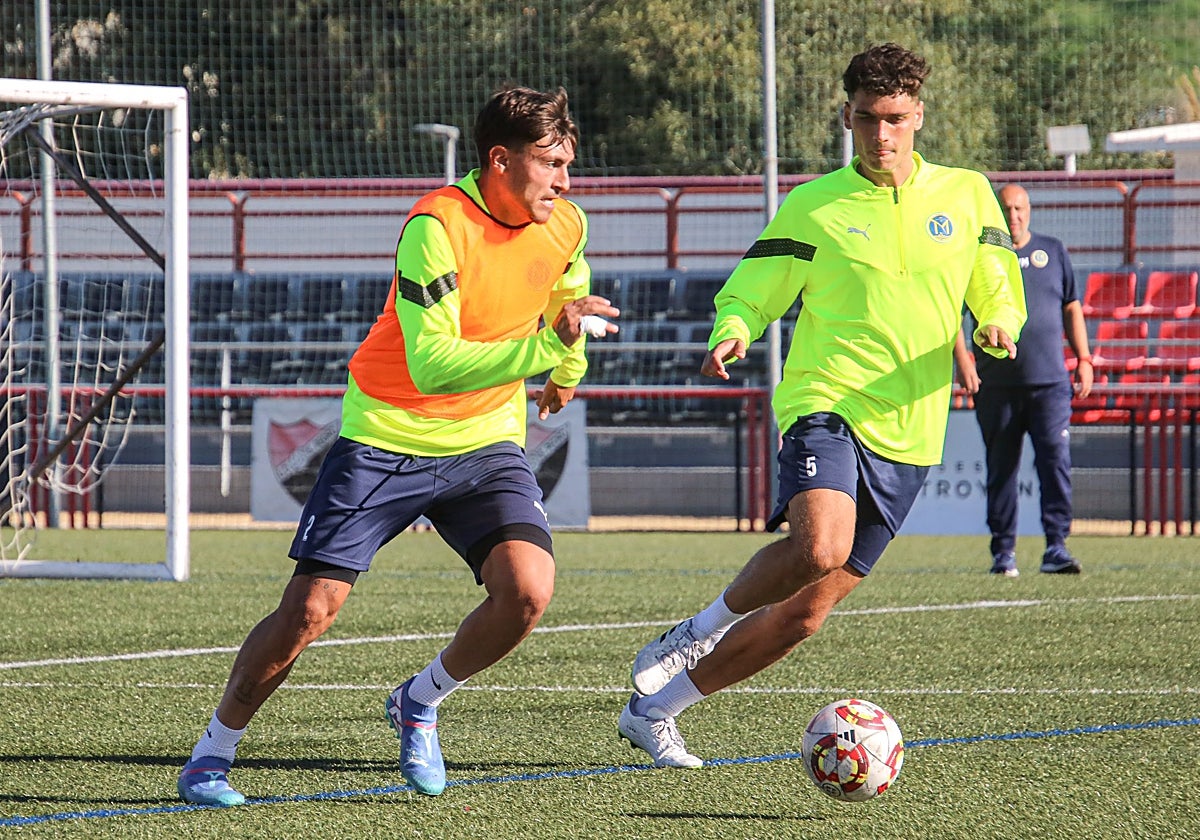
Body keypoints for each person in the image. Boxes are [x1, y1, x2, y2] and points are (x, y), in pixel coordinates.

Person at [177, 84, 619, 805]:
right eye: (550, 163)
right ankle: (211, 753)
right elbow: (433, 363)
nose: (565, 181)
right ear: (500, 160)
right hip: (387, 436)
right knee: (309, 611)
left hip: (485, 445)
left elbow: (570, 301)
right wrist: (545, 351)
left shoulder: (566, 224)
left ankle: (420, 699)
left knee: (528, 594)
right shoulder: (434, 226)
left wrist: (566, 372)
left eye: (569, 163)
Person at [616, 43, 1026, 768]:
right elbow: (754, 285)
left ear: (919, 115)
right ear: (847, 115)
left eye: (895, 119)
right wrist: (733, 328)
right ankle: (697, 629)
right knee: (819, 546)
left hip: (914, 428)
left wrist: (999, 321)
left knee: (805, 612)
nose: (881, 135)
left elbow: (993, 276)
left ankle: (655, 712)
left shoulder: (966, 194)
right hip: (826, 399)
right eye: (867, 119)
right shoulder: (814, 203)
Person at [953, 184, 1092, 577]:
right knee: (1002, 468)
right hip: (996, 386)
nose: (1012, 215)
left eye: (1019, 208)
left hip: (1050, 384)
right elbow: (953, 314)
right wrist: (963, 358)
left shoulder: (1054, 251)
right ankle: (1003, 553)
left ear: (1028, 211)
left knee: (1055, 463)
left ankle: (1057, 547)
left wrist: (1084, 358)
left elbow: (1072, 308)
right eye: (1005, 208)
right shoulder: (978, 256)